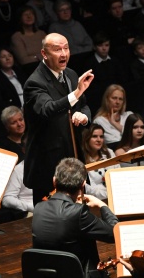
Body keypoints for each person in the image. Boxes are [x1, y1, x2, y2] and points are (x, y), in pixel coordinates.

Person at [23, 33, 94, 205]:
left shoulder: (70, 74)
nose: (64, 54)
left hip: (73, 158)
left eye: (66, 48)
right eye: (57, 49)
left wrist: (83, 116)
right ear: (44, 54)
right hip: (48, 165)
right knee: (52, 222)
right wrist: (77, 93)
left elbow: (83, 105)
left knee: (79, 214)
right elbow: (48, 109)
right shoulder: (34, 83)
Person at [32, 157, 118, 278]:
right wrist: (102, 205)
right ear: (83, 184)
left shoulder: (38, 208)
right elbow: (114, 234)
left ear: (54, 181)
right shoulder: (78, 213)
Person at [82, 124, 119, 200]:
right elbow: (88, 189)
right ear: (87, 139)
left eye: (101, 136)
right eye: (94, 136)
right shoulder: (82, 158)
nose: (99, 140)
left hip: (115, 197)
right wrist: (108, 194)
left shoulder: (110, 153)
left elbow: (118, 176)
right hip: (94, 200)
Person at [93, 84, 133, 149]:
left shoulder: (129, 115)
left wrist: (114, 123)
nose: (117, 102)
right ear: (107, 99)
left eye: (120, 99)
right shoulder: (99, 121)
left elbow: (135, 134)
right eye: (114, 98)